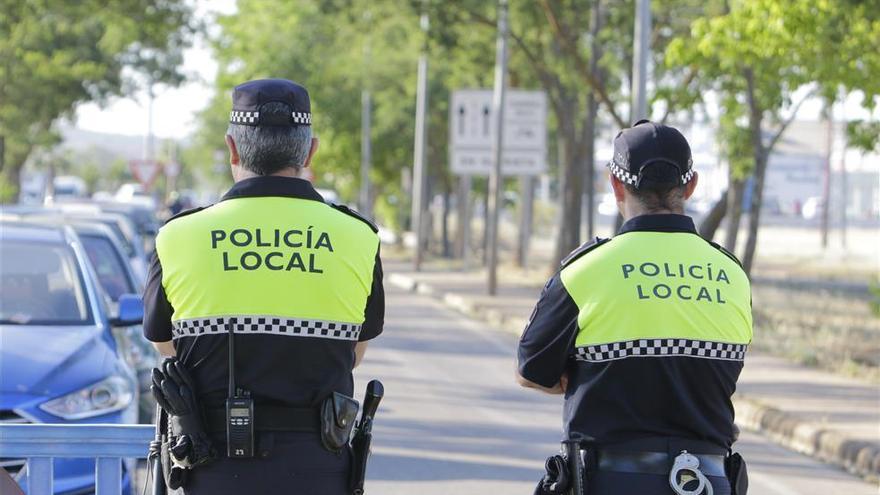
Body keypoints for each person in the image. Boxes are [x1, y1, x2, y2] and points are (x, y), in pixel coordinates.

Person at [143, 78, 384, 495]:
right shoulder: (359, 236)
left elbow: (166, 347)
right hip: (319, 470)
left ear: (232, 148)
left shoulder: (177, 236)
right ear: (310, 152)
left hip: (211, 469)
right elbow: (355, 354)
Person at [517, 120, 752, 495]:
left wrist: (589, 377)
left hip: (612, 481)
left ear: (615, 184)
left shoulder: (585, 271)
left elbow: (531, 371)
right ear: (690, 185)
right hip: (709, 482)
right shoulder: (732, 275)